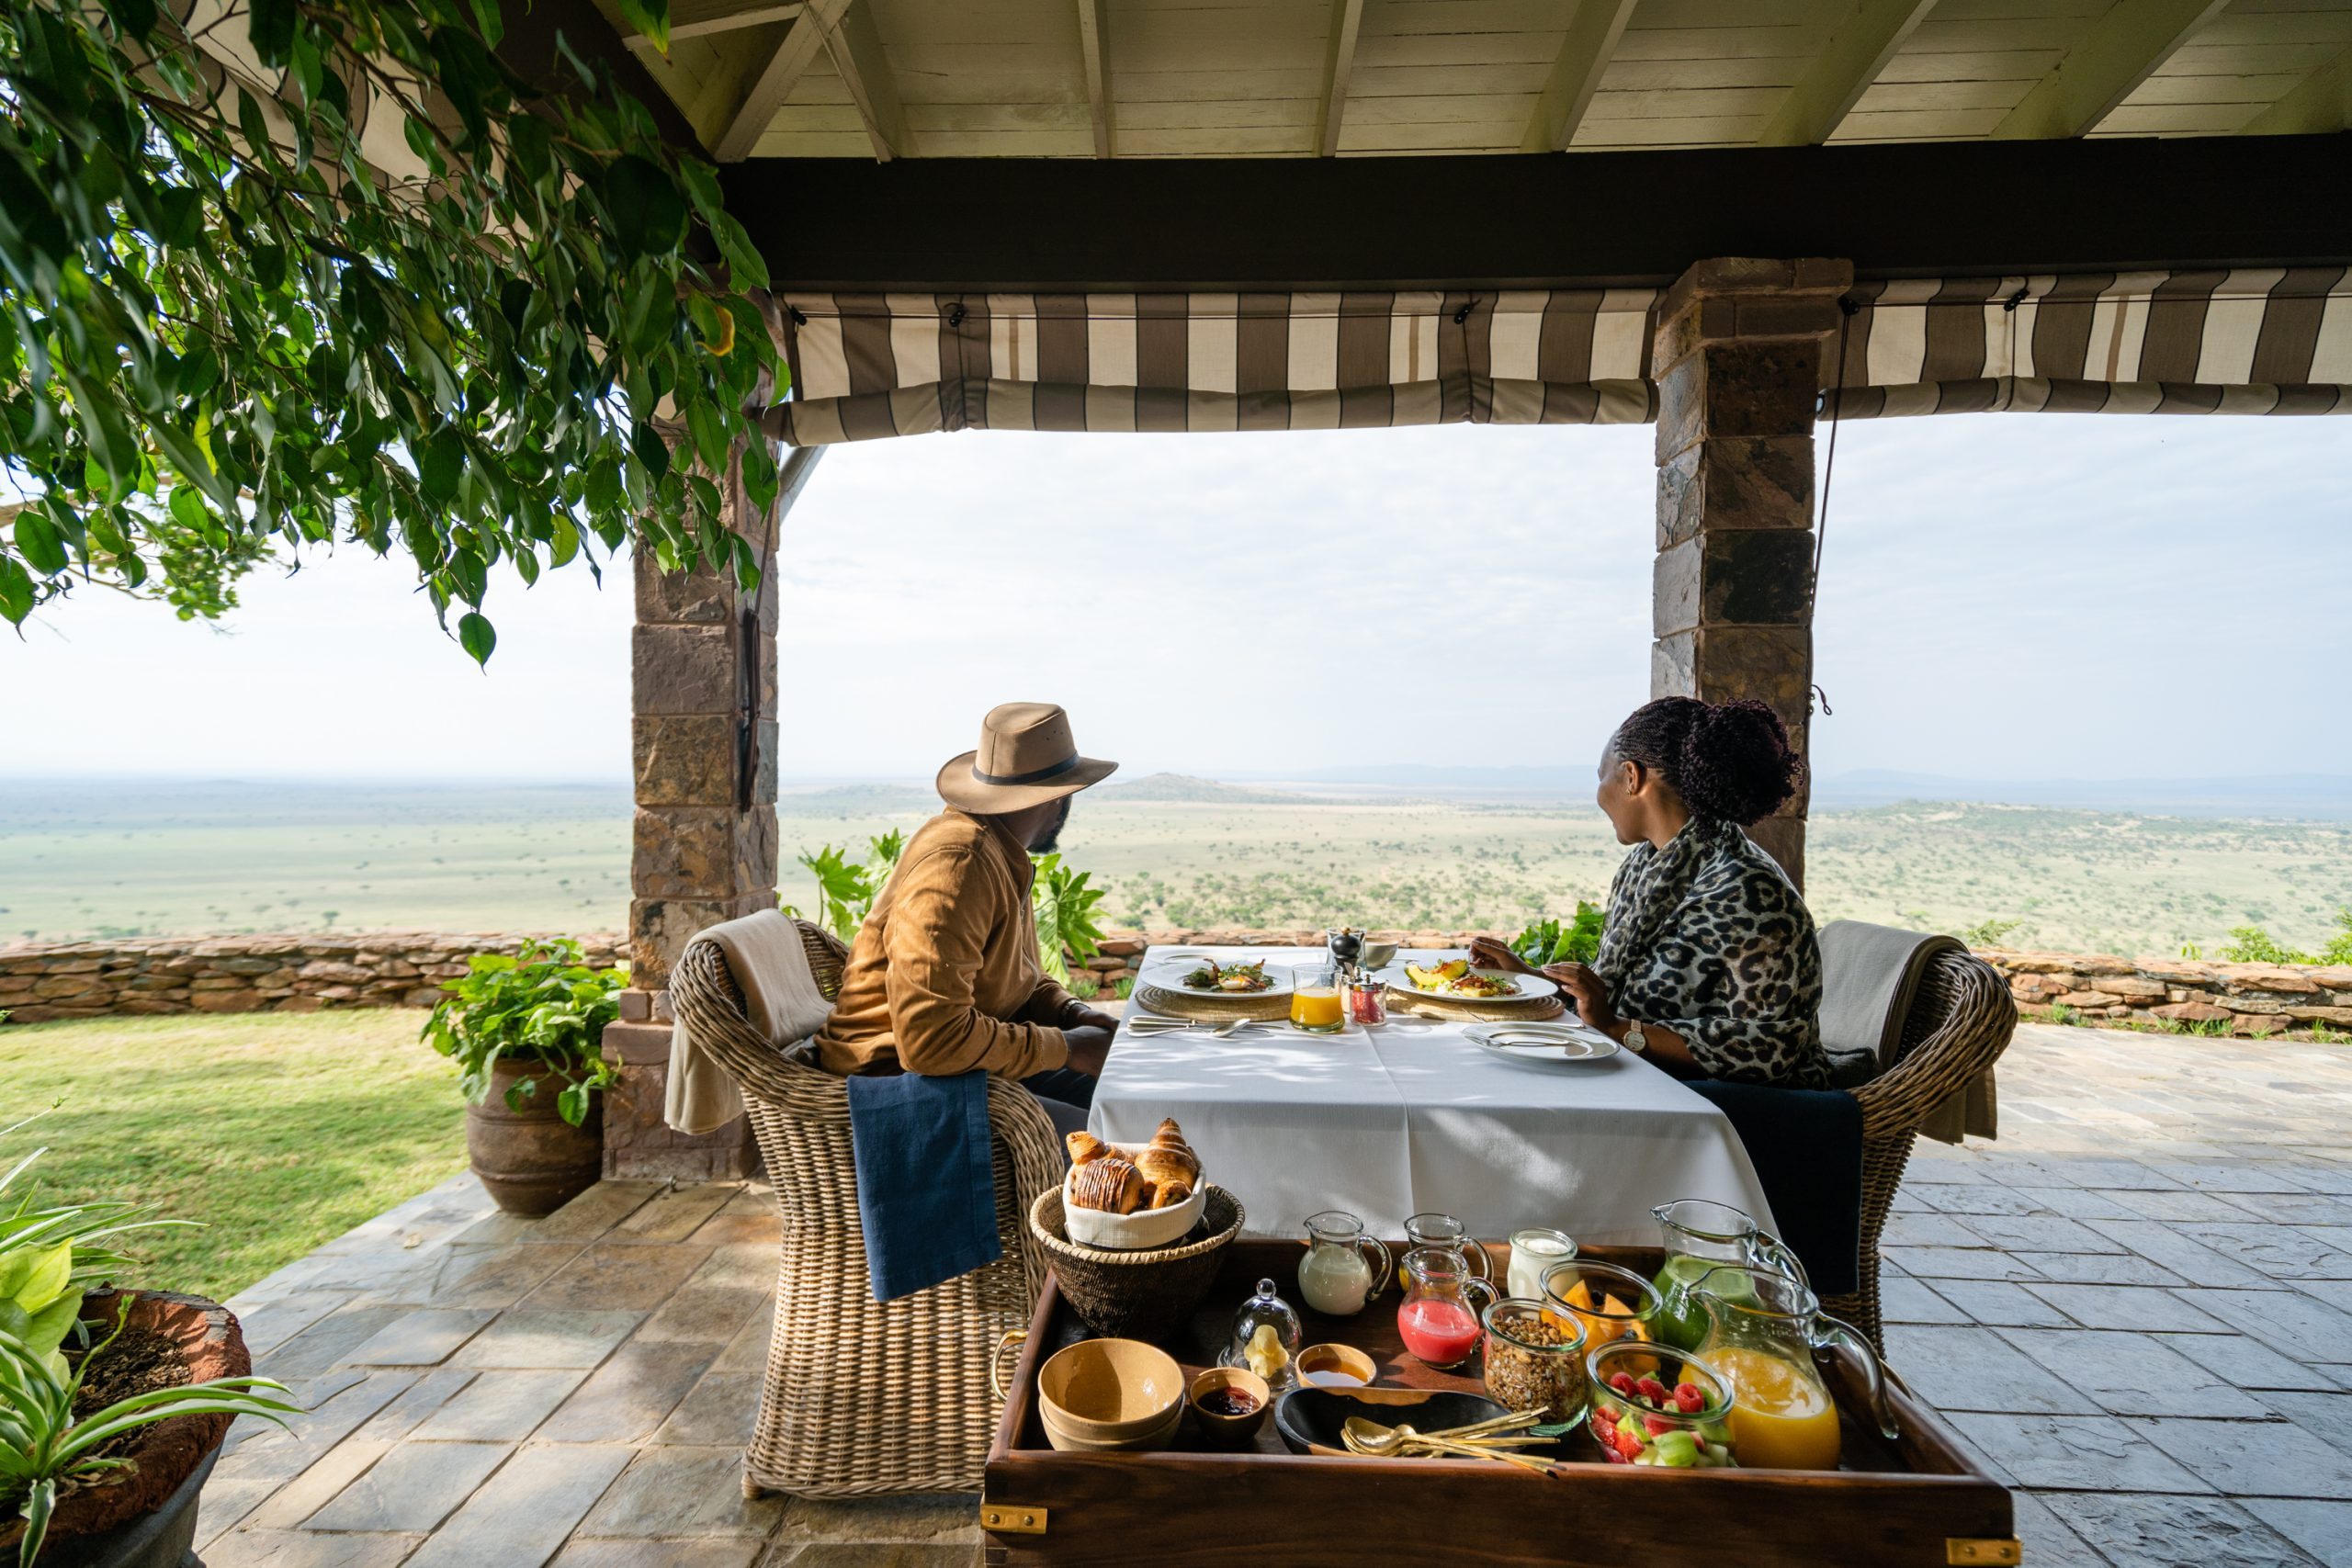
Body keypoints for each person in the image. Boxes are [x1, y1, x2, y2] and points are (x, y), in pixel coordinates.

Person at [1472, 696, 1829, 1089]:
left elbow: (1766, 1053)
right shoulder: (1646, 864)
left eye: (1601, 776)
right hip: (1641, 1080)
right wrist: (1526, 978)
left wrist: (1616, 1027)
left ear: (1631, 777)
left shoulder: (1750, 893)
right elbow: (1610, 1003)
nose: (1598, 795)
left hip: (1734, 1110)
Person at [813, 702, 1123, 1136]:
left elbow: (1019, 977)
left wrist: (1071, 1014)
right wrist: (1068, 1049)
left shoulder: (1001, 850)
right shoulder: (960, 865)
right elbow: (929, 1041)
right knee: (1116, 1143)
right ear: (1059, 797)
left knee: (1132, 1099)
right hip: (896, 1081)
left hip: (965, 1064)